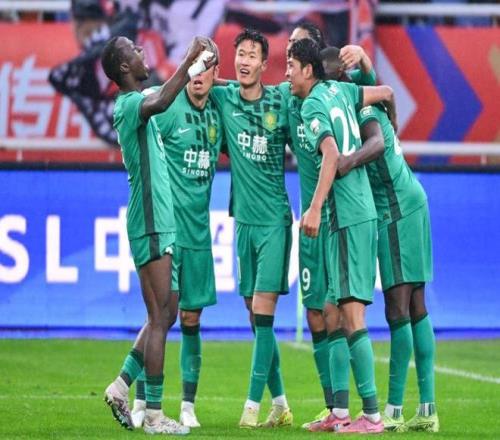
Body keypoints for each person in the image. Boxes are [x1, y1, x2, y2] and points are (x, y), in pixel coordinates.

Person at [101, 34, 214, 435]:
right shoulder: (131, 104)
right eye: (134, 49)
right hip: (149, 221)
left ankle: (120, 386)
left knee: (165, 314)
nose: (141, 51)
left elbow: (167, 92)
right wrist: (190, 56)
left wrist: (198, 65)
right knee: (159, 316)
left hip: (160, 221)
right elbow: (164, 100)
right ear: (124, 67)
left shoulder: (139, 101)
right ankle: (153, 415)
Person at [322, 48, 438, 433]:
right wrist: (367, 64)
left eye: (326, 80)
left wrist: (348, 162)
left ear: (338, 78)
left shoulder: (358, 107)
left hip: (396, 209)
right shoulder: (358, 92)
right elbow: (383, 90)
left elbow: (378, 143)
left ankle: (393, 410)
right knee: (416, 305)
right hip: (410, 200)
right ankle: (427, 409)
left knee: (398, 308)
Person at [286, 37, 395, 434]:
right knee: (331, 310)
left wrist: (314, 207)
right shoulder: (342, 90)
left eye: (291, 66)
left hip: (348, 214)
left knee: (350, 315)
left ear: (308, 70)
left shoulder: (313, 103)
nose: (287, 73)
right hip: (345, 216)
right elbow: (386, 91)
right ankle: (339, 411)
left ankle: (372, 416)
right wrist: (394, 127)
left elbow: (331, 154)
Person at [129, 39, 224, 430]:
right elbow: (142, 106)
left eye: (206, 67)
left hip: (199, 233)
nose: (198, 75)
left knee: (191, 317)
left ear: (216, 74)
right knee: (160, 316)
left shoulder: (219, 111)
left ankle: (187, 405)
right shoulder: (167, 106)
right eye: (194, 66)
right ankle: (139, 399)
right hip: (167, 232)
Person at [210, 29, 293, 429]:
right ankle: (281, 404)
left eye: (252, 55)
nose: (244, 61)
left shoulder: (281, 100)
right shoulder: (224, 97)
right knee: (254, 317)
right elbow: (195, 84)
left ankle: (251, 408)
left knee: (263, 312)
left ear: (264, 63)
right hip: (242, 222)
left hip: (275, 222)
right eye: (240, 54)